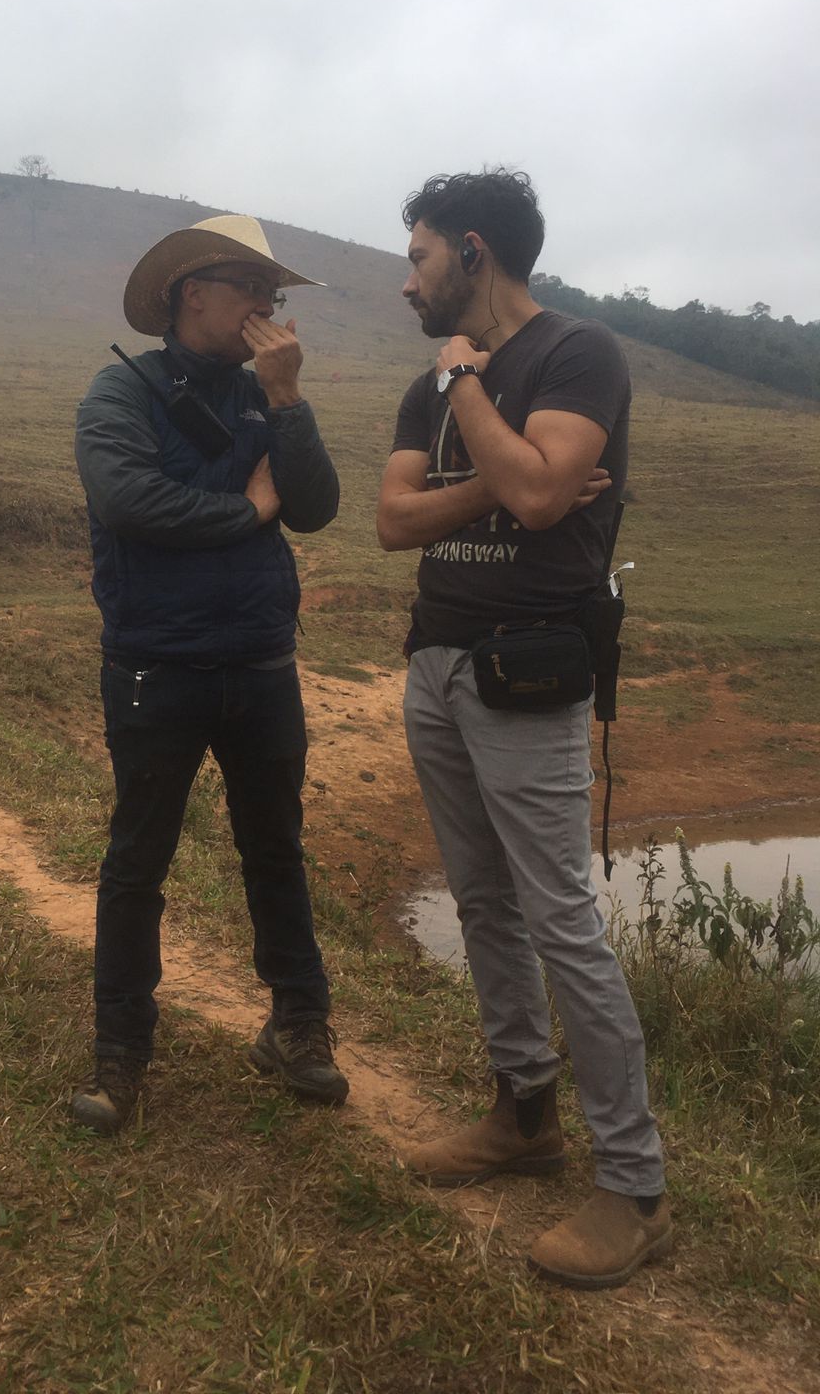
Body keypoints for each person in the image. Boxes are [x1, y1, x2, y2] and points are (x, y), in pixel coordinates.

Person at [376, 170, 670, 1289]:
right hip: (436, 664)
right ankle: (523, 1114)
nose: (407, 281)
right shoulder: (432, 379)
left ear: (473, 250)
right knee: (483, 899)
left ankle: (635, 1186)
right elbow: (395, 519)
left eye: (418, 259)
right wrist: (505, 477)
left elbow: (550, 502)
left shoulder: (578, 353)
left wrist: (466, 391)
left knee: (558, 915)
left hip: (530, 667)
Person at [71, 213, 347, 1136]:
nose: (270, 307)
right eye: (252, 289)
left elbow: (311, 508)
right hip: (157, 666)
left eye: (274, 294)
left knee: (275, 848)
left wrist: (290, 403)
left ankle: (299, 1029)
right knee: (137, 861)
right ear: (194, 294)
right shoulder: (120, 395)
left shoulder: (264, 392)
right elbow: (131, 502)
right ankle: (121, 1054)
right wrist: (245, 507)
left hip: (261, 663)